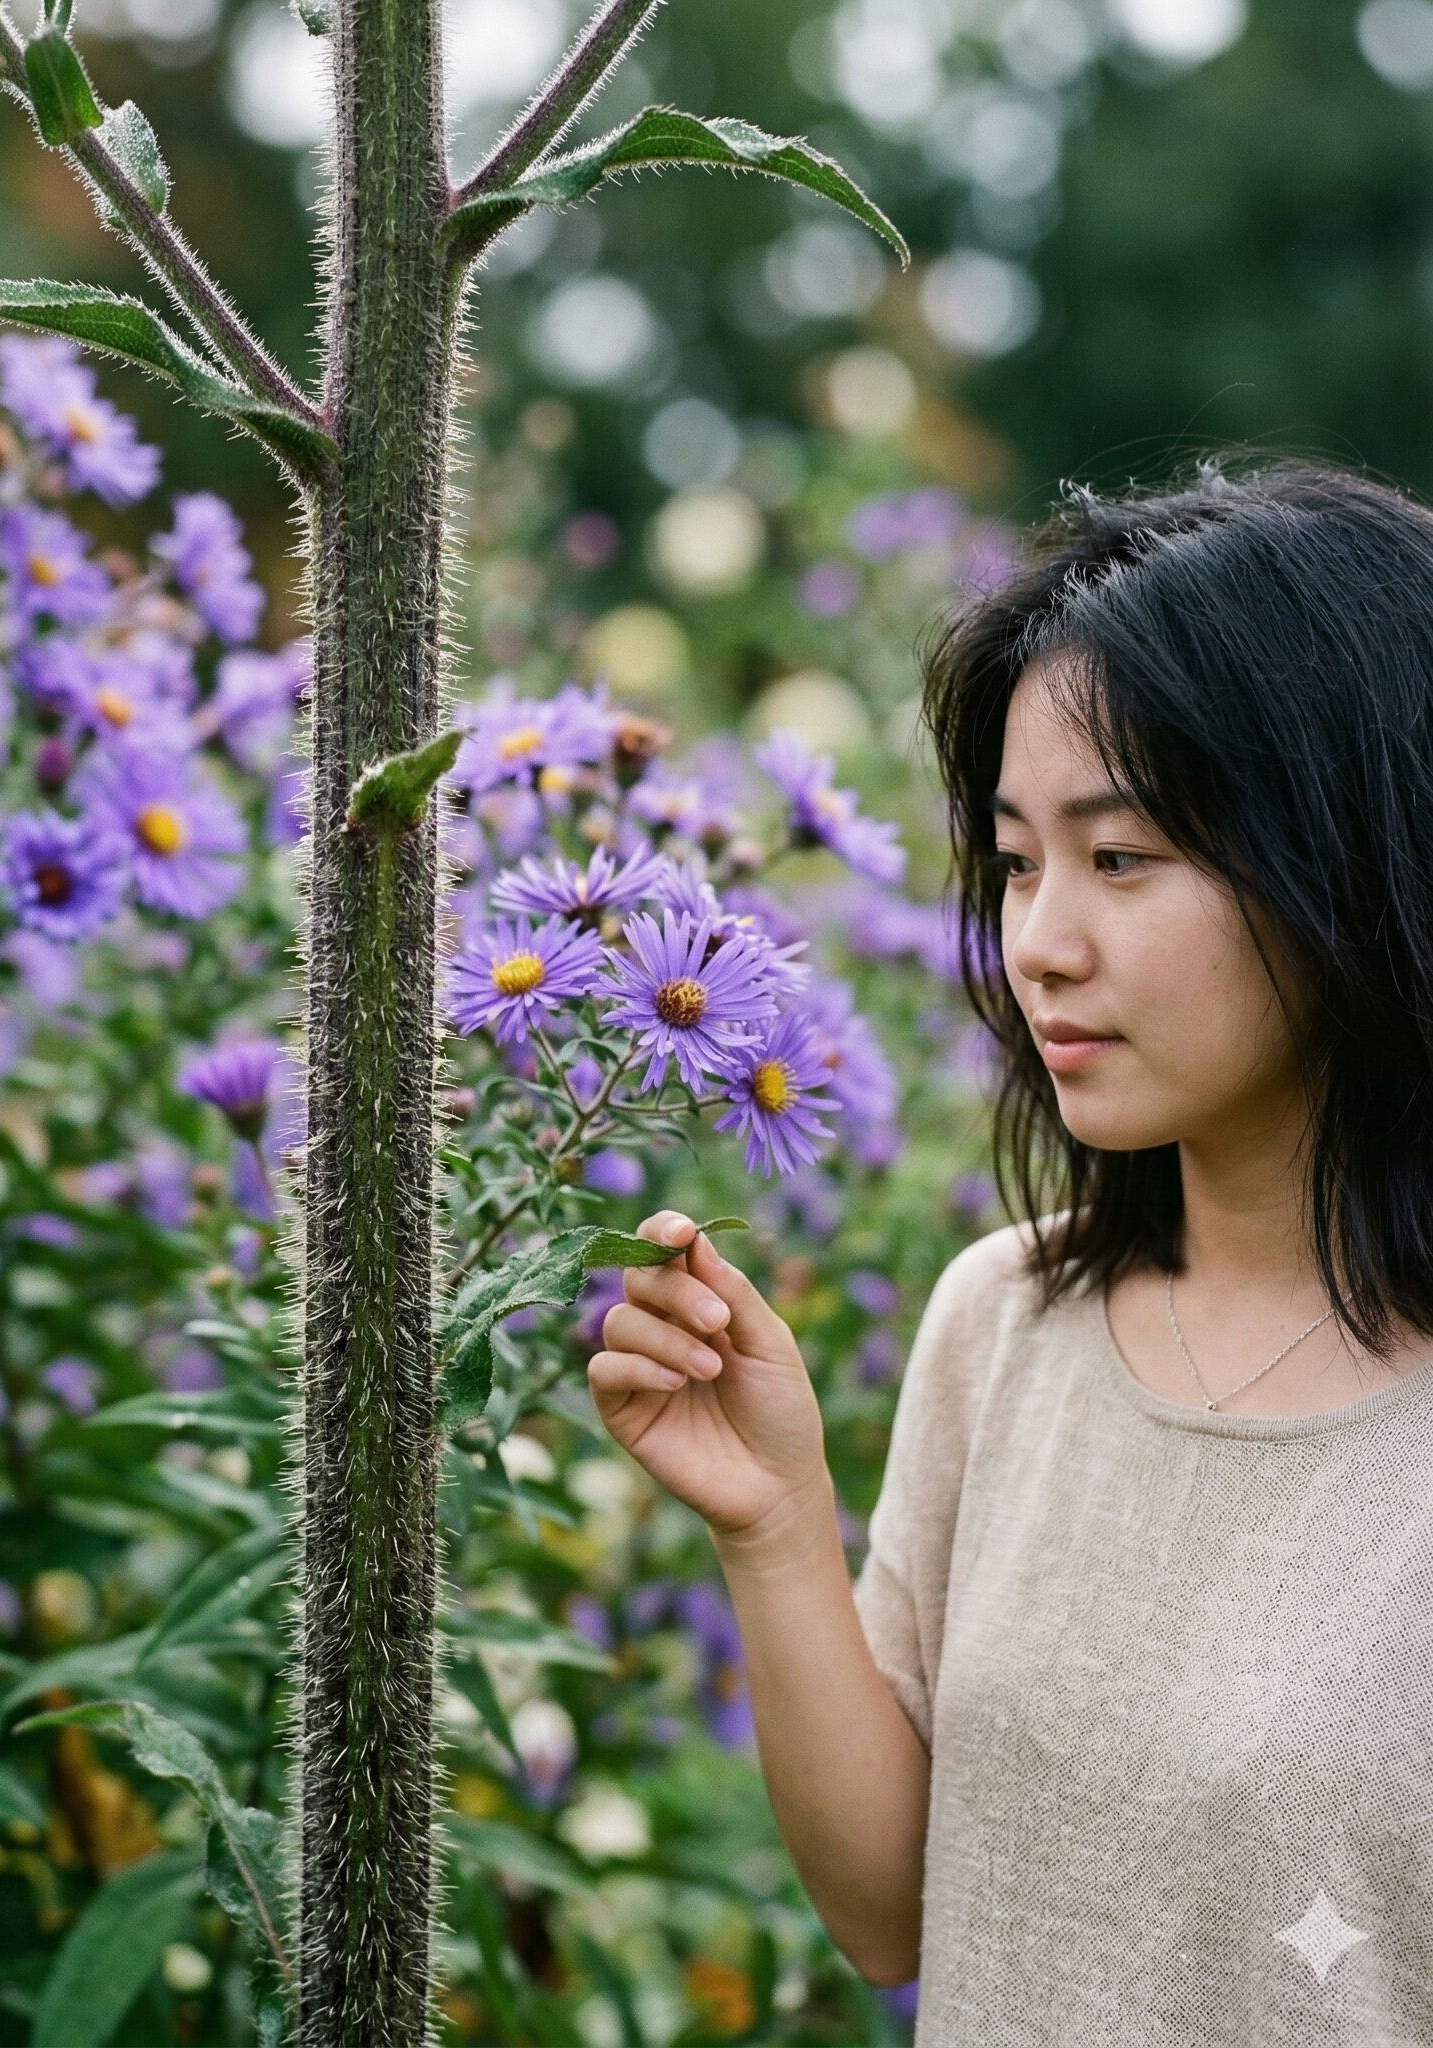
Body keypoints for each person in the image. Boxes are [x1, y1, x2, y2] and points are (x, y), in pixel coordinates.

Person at [586, 457, 1433, 2044]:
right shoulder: (1008, 1322)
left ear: (1357, 864)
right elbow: (892, 1905)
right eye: (1017, 859)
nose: (1037, 939)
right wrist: (775, 1526)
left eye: (1121, 859)